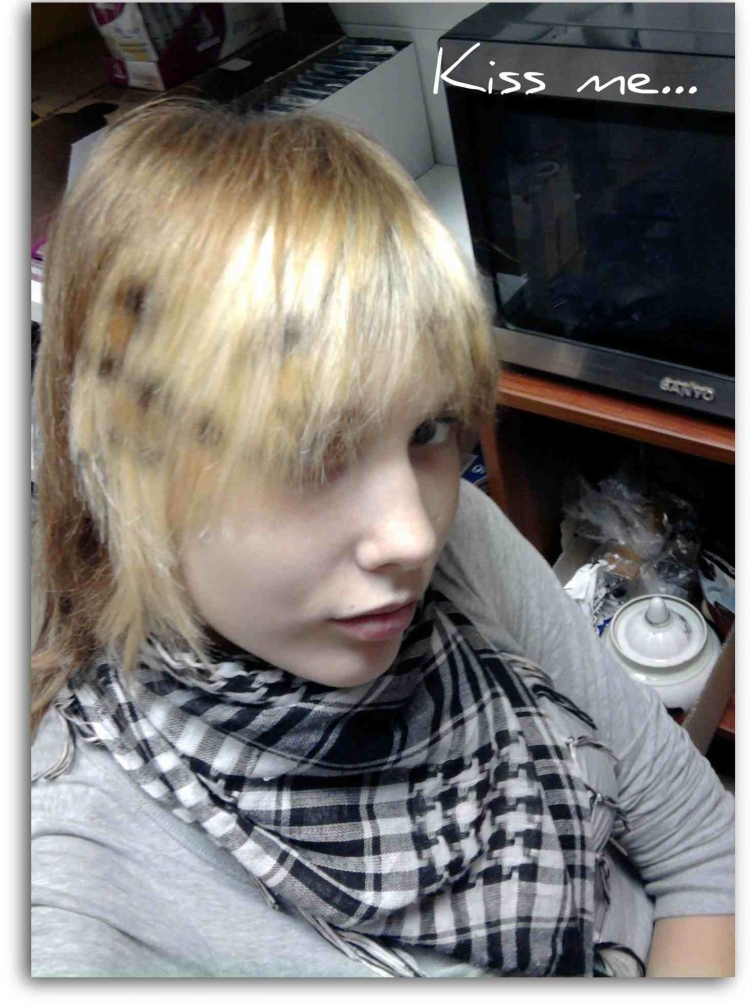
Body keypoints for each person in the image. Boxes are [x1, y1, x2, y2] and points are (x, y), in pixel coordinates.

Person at [31, 99, 734, 979]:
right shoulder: (85, 892)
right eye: (308, 450)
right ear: (124, 464)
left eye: (428, 428)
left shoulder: (462, 540)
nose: (412, 534)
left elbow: (701, 847)